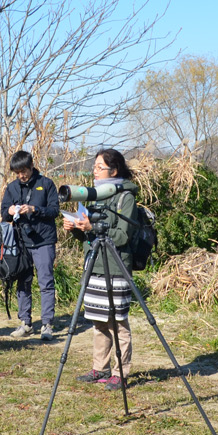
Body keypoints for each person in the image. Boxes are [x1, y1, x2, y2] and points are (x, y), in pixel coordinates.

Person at [64, 149, 141, 391]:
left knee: (117, 322)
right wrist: (77, 228)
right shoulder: (96, 196)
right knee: (99, 321)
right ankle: (100, 368)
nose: (95, 171)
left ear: (114, 170)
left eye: (100, 167)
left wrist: (92, 226)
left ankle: (120, 372)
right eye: (94, 167)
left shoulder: (125, 197)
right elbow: (89, 237)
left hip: (116, 266)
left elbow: (121, 236)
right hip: (95, 264)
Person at [0, 150, 60, 340]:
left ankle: (47, 324)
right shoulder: (12, 188)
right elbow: (4, 214)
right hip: (21, 242)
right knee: (23, 282)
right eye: (17, 173)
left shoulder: (47, 184)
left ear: (31, 166)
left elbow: (54, 210)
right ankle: (25, 323)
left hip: (44, 240)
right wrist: (9, 211)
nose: (21, 175)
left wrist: (35, 209)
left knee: (46, 282)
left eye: (24, 171)